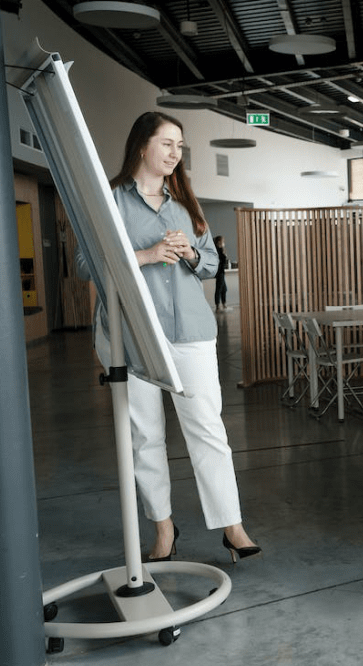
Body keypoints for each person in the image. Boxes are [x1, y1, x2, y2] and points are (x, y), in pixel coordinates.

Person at [77, 111, 260, 563]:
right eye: (167, 144)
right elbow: (86, 266)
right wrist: (146, 254)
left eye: (180, 146)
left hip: (191, 333)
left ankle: (232, 527)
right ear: (142, 145)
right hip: (135, 337)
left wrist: (191, 255)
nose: (176, 153)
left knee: (208, 430)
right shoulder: (112, 202)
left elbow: (213, 265)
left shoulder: (183, 203)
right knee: (146, 437)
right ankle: (164, 530)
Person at [213, 235, 229, 312]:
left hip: (221, 272)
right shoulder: (218, 250)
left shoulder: (219, 250)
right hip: (219, 272)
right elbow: (222, 260)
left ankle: (223, 304)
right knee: (219, 289)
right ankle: (218, 306)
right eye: (222, 242)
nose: (223, 243)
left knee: (224, 289)